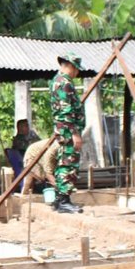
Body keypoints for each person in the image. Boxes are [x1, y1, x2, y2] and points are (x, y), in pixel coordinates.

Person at [49, 53, 85, 214]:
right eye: (76, 69)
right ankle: (64, 200)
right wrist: (75, 133)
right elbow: (66, 112)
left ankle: (59, 199)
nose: (77, 73)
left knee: (63, 162)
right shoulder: (65, 83)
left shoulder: (56, 81)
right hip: (68, 130)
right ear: (70, 66)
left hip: (64, 129)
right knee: (68, 164)